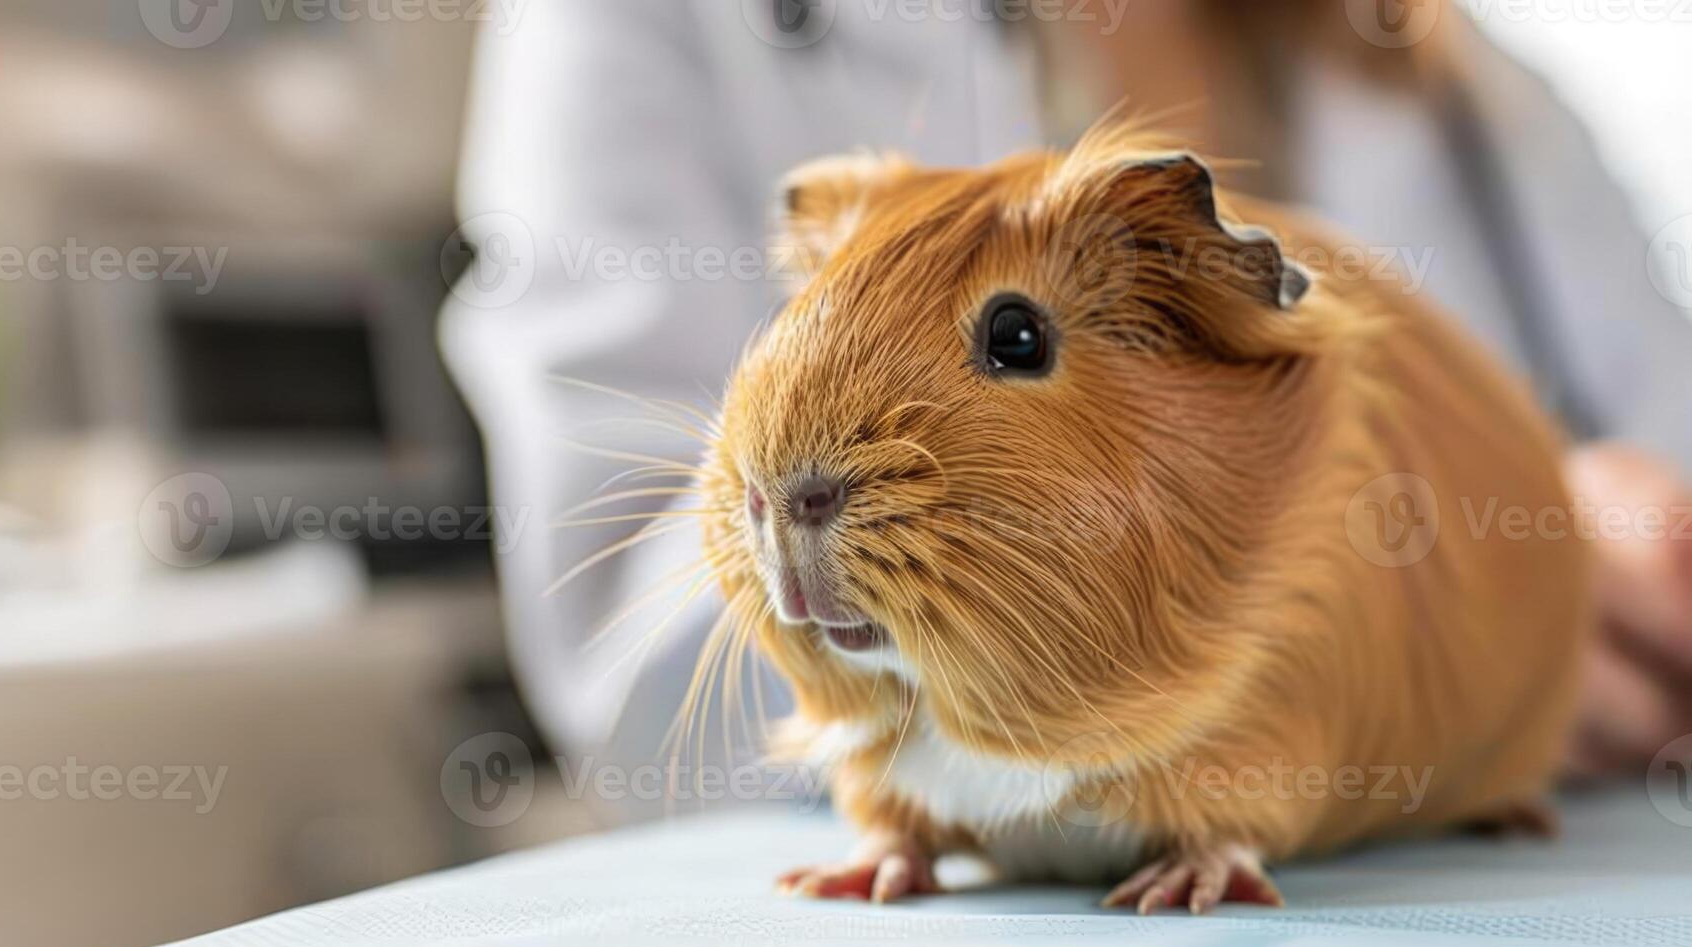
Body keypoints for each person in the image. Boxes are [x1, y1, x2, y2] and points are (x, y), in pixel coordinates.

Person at [440, 0, 1692, 807]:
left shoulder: (1464, 76)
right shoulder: (639, 26)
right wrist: (1421, 615)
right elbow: (625, 661)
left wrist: (1586, 560)